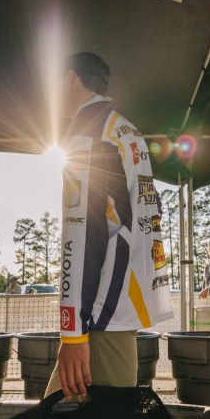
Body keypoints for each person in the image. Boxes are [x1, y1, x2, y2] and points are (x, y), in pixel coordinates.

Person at [47, 52, 173, 398]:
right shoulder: (125, 128)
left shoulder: (88, 131)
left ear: (70, 78)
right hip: (122, 301)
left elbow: (82, 233)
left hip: (103, 310)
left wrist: (73, 332)